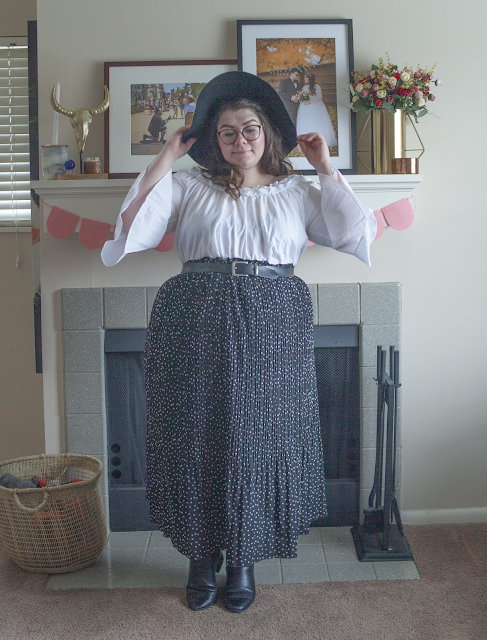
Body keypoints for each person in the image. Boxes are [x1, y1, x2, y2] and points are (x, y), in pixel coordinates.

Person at [101, 71, 376, 613]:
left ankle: (244, 556)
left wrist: (324, 167)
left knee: (256, 437)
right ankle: (202, 556)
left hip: (273, 321)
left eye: (249, 129)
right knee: (197, 434)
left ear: (267, 134)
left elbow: (353, 233)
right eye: (226, 132)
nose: (240, 140)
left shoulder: (297, 191)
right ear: (213, 142)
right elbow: (131, 231)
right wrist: (165, 158)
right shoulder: (188, 187)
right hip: (195, 317)